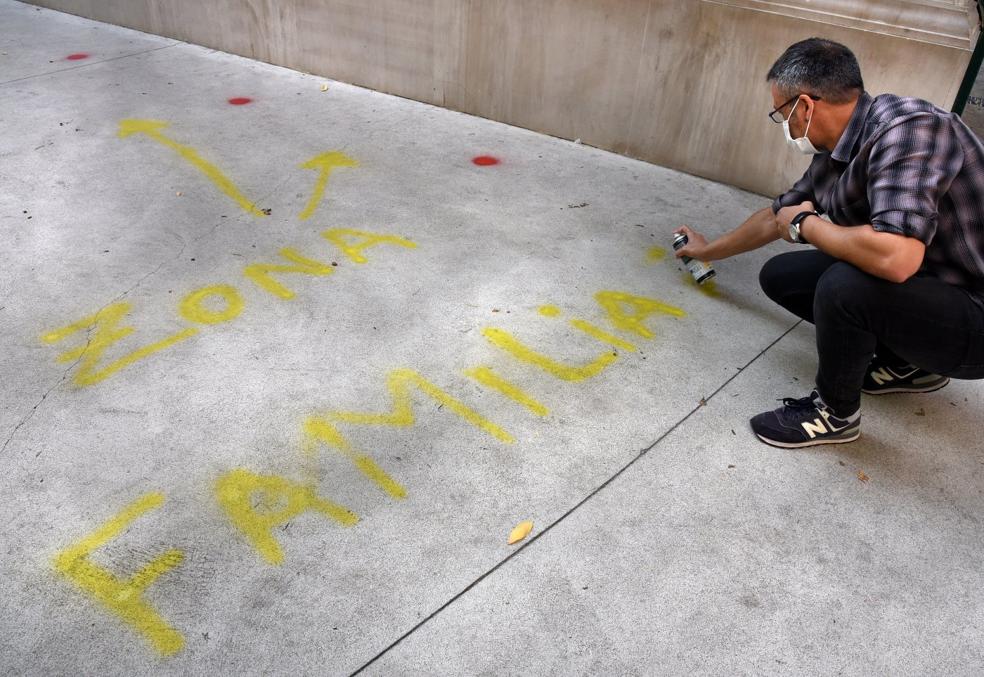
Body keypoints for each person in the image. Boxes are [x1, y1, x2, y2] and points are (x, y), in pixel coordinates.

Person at [675, 37, 984, 449]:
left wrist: (806, 225)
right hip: (936, 286)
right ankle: (910, 366)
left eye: (781, 113)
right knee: (783, 276)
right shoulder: (837, 151)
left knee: (843, 287)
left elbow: (896, 257)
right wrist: (706, 250)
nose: (783, 125)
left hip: (975, 314)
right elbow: (776, 217)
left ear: (805, 106)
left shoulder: (912, 130)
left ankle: (835, 414)